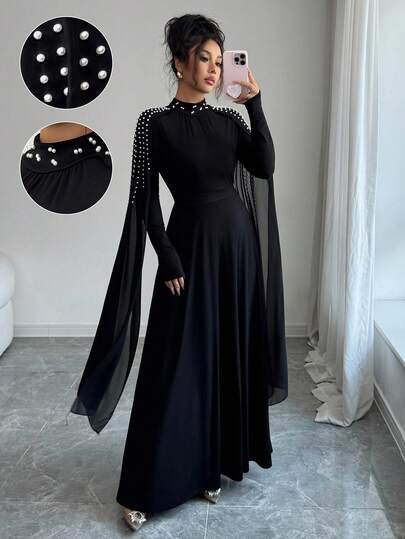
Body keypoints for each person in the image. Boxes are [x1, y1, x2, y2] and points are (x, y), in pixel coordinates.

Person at [68, 14, 288, 532]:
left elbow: (265, 165)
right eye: (203, 59)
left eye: (219, 61)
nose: (213, 70)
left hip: (236, 249)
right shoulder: (154, 124)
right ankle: (144, 488)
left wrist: (254, 104)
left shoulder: (230, 122)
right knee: (174, 364)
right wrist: (166, 255)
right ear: (179, 63)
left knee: (223, 357)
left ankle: (208, 466)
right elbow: (144, 199)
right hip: (188, 247)